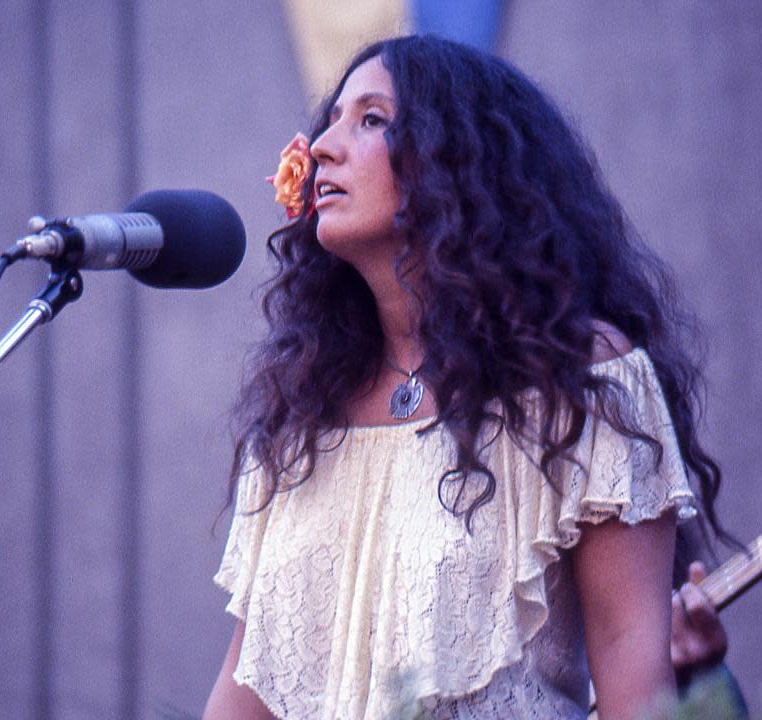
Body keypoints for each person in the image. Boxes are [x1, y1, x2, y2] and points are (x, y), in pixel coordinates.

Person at [205, 35, 734, 720]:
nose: (323, 148)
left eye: (370, 120)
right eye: (330, 120)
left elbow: (636, 690)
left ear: (458, 163)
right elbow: (246, 690)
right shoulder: (297, 417)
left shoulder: (579, 381)